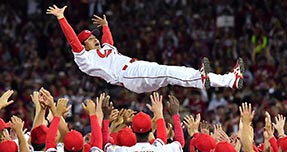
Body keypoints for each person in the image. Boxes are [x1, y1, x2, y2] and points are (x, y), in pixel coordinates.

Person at [46, 5, 244, 94]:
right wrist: (61, 18)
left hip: (137, 71)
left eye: (93, 36)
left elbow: (108, 42)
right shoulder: (84, 59)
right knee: (169, 72)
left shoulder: (103, 50)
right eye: (89, 39)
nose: (94, 39)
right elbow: (73, 41)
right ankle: (206, 79)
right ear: (84, 45)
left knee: (170, 74)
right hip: (128, 75)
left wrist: (105, 26)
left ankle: (226, 79)